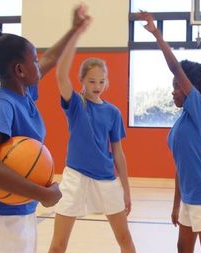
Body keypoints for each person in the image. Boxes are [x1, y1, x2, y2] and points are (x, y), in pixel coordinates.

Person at [0, 6, 88, 253]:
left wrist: (74, 30)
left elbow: (50, 58)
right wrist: (42, 193)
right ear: (20, 70)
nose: (41, 65)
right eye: (35, 62)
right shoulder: (2, 104)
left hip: (18, 212)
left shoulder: (24, 93)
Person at [47, 5, 135, 253]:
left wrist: (126, 190)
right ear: (82, 81)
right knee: (58, 244)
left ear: (107, 82)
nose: (97, 85)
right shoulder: (75, 104)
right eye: (91, 80)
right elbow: (61, 74)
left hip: (107, 179)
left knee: (125, 239)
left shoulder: (113, 112)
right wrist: (76, 32)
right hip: (75, 177)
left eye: (101, 81)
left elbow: (118, 153)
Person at [137, 11, 201, 253]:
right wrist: (176, 204)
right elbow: (180, 166)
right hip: (189, 196)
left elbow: (175, 68)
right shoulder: (180, 122)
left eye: (177, 86)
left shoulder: (200, 110)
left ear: (191, 89)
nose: (173, 91)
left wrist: (156, 33)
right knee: (182, 248)